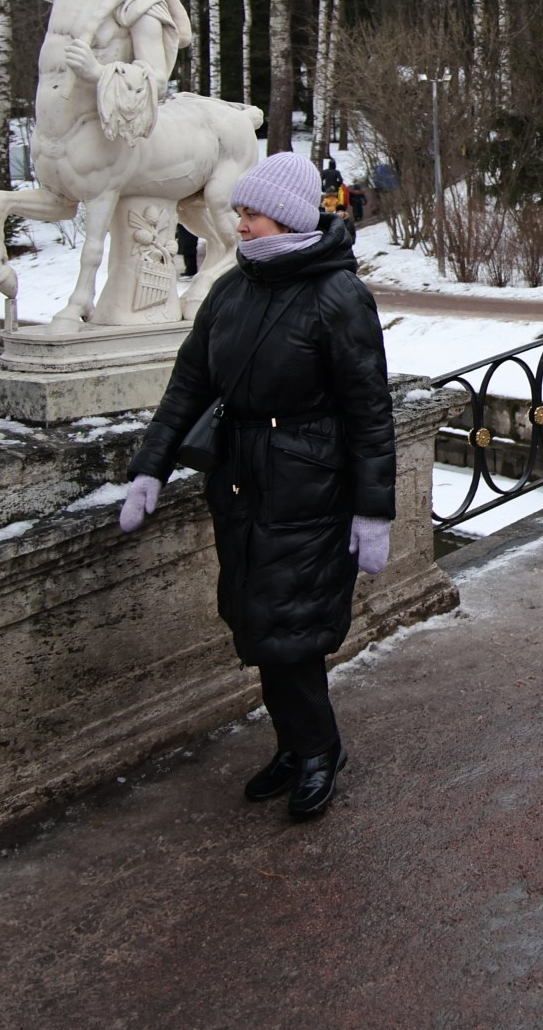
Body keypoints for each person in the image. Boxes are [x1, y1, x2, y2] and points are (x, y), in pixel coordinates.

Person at [118, 150, 393, 823]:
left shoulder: (338, 295)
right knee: (256, 623)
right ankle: (297, 746)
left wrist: (374, 513)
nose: (238, 224)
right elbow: (188, 386)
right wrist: (149, 467)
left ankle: (320, 749)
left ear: (291, 218)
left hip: (309, 488)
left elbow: (369, 410)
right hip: (240, 483)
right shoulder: (229, 291)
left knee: (291, 629)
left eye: (251, 213)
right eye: (238, 212)